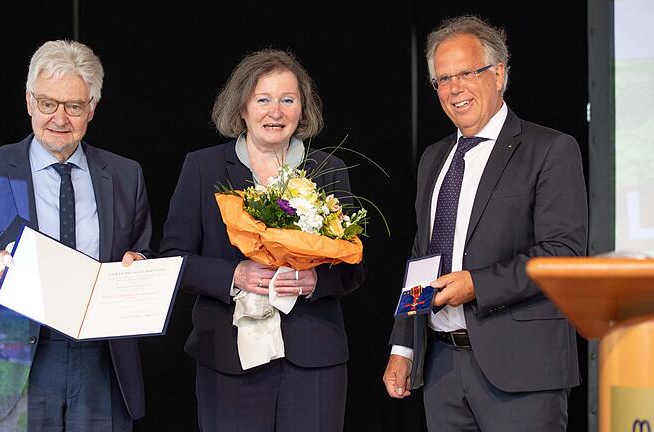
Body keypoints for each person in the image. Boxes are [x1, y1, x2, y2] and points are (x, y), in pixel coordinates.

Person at [383, 15, 587, 430]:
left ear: (498, 74)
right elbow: (422, 255)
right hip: (441, 368)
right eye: (442, 79)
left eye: (465, 73)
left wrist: (477, 284)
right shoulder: (433, 159)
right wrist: (403, 347)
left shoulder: (550, 149)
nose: (454, 88)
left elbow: (562, 253)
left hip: (523, 372)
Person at [0, 40, 152, 431]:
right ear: (29, 102)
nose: (59, 117)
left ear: (92, 108)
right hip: (11, 361)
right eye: (48, 103)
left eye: (73, 106)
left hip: (102, 364)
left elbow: (142, 253)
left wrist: (138, 266)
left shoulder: (125, 175)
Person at [159, 49, 366, 432]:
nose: (276, 111)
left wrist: (315, 281)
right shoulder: (202, 168)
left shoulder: (329, 170)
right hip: (228, 360)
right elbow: (174, 259)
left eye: (288, 100)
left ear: (302, 110)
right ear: (242, 108)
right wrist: (233, 274)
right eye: (263, 99)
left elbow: (354, 268)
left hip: (313, 359)